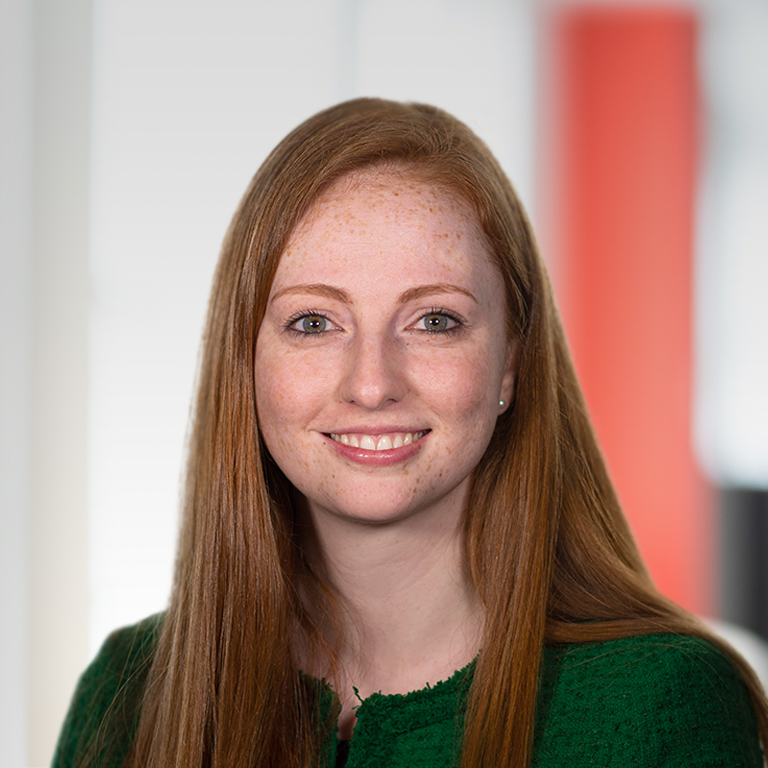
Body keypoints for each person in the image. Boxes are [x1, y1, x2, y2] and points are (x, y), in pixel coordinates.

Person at [53, 98, 768, 768]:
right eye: (313, 323)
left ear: (510, 364)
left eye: (434, 321)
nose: (371, 384)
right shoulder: (129, 693)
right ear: (245, 359)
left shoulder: (665, 703)